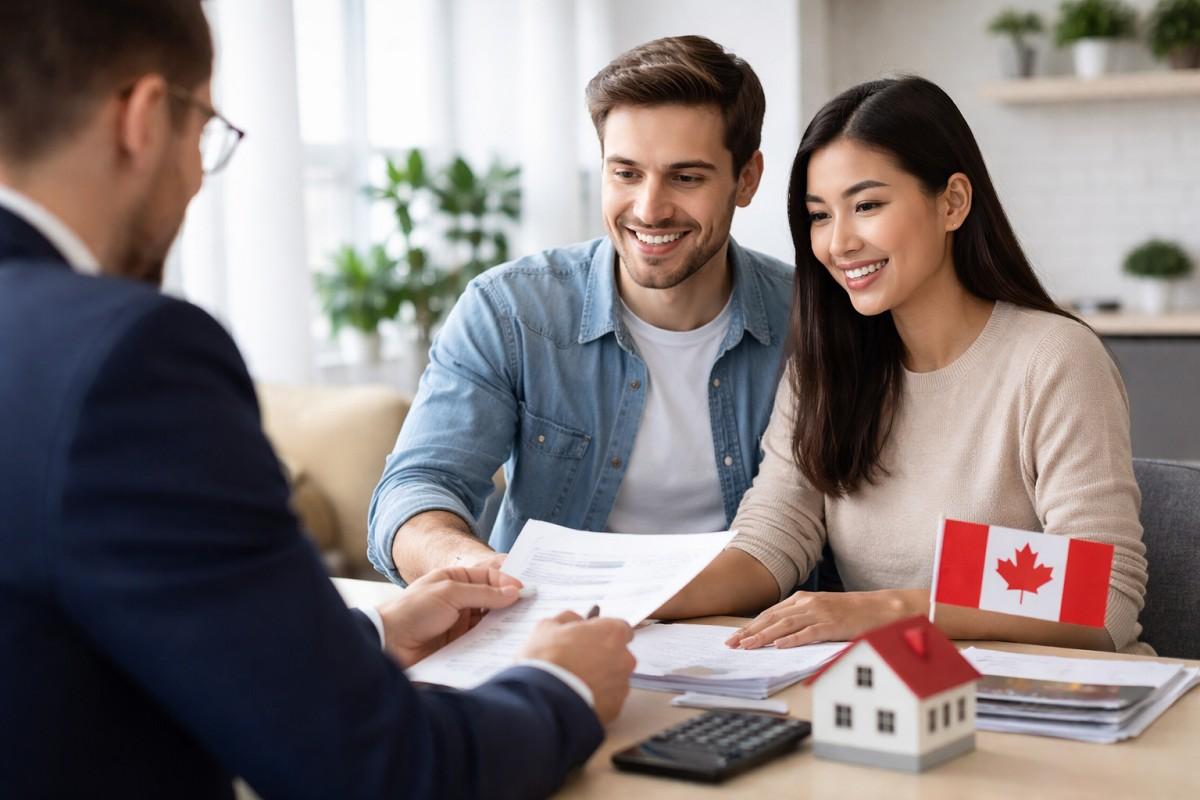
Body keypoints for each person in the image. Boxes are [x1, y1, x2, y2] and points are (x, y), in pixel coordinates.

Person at [0, 2, 635, 798]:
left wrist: (369, 630)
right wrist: (561, 687)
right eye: (204, 133)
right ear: (145, 115)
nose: (198, 177)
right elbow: (378, 769)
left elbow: (88, 640)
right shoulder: (127, 357)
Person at [660, 76, 1150, 655]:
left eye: (867, 205)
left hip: (1058, 702)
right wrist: (623, 596)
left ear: (953, 203)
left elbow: (1105, 596)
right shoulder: (828, 366)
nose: (839, 243)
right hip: (904, 692)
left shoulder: (1054, 359)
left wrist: (884, 610)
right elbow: (772, 539)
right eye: (820, 216)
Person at [368, 35, 794, 587]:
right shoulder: (511, 311)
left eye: (686, 178)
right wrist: (477, 567)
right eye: (626, 173)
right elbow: (416, 486)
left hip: (743, 637)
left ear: (747, 179)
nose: (649, 208)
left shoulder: (810, 319)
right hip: (550, 627)